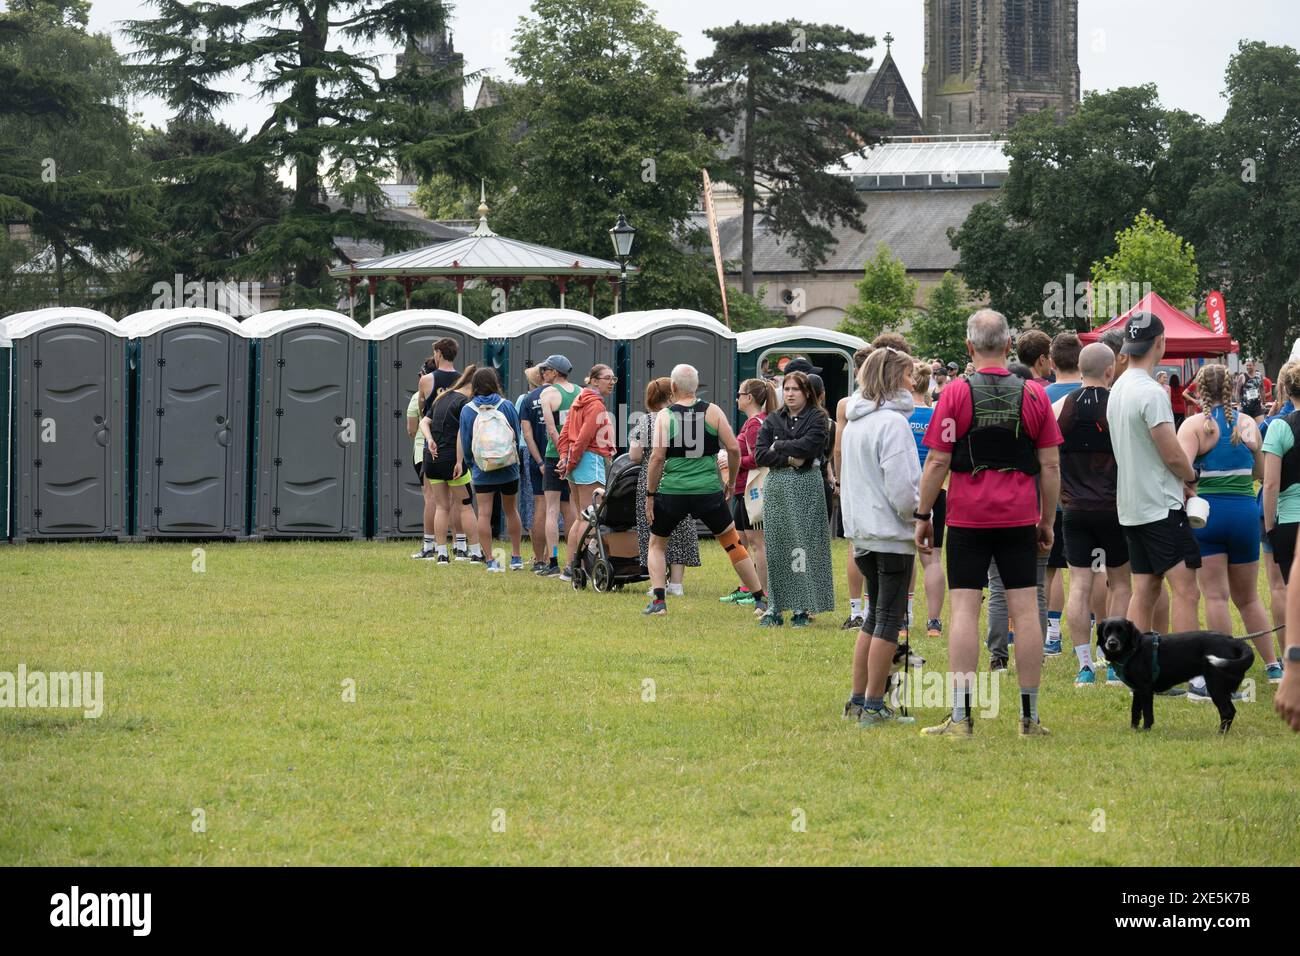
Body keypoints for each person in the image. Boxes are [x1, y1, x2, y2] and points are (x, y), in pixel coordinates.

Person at [915, 309, 1062, 737]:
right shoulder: (1035, 395)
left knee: (963, 610)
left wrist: (923, 515)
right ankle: (1029, 719)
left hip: (966, 518)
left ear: (969, 347)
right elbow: (1050, 465)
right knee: (1026, 612)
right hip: (1019, 517)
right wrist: (1047, 520)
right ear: (1010, 345)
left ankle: (961, 719)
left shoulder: (954, 394)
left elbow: (939, 460)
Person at [1178, 363, 1281, 692]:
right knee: (1249, 598)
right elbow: (1260, 472)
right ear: (1232, 388)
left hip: (1207, 514)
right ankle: (1273, 666)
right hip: (1243, 514)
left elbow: (1179, 470)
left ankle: (1225, 668)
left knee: (1216, 597)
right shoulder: (1248, 423)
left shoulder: (1194, 425)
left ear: (1199, 389)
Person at [643, 364, 768, 616]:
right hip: (708, 491)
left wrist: (650, 495)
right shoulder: (713, 412)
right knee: (733, 544)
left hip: (672, 492)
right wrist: (731, 482)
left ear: (674, 388)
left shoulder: (665, 417)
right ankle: (759, 599)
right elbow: (733, 449)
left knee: (657, 545)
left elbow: (657, 458)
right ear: (696, 387)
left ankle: (658, 602)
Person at [1107, 311, 1201, 641]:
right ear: (1160, 343)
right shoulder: (1152, 392)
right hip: (1160, 507)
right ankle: (1195, 676)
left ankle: (1137, 668)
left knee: (1145, 588)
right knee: (1187, 590)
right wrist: (1191, 476)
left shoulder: (1116, 389)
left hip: (1132, 506)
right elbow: (1172, 453)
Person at [841, 347, 921, 725]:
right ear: (893, 379)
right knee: (888, 619)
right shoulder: (893, 424)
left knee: (875, 616)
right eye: (907, 375)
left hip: (864, 533)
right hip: (889, 533)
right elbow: (904, 490)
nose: (913, 382)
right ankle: (873, 704)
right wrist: (921, 514)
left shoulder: (857, 421)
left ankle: (858, 699)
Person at [1056, 343, 1132, 686]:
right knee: (1121, 585)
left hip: (1074, 509)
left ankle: (1085, 665)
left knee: (1080, 586)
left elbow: (1046, 456)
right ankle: (1115, 663)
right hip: (1114, 508)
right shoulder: (1119, 404)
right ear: (1110, 371)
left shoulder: (1062, 406)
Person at [755, 371, 836, 626]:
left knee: (802, 546)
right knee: (777, 545)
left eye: (795, 390)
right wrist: (789, 456)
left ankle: (802, 606)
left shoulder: (818, 418)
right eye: (786, 389)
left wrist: (777, 446)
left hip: (806, 486)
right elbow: (759, 455)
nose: (789, 394)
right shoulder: (772, 419)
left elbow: (809, 447)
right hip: (777, 485)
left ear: (807, 393)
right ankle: (775, 607)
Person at [630, 378, 701, 598]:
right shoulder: (686, 418)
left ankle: (657, 584)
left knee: (654, 534)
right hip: (682, 478)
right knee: (680, 528)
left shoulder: (646, 421)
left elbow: (634, 455)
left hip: (652, 479)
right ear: (671, 394)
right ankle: (677, 585)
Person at [1041, 331, 1084, 653]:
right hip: (1094, 498)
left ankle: (1052, 635)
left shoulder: (1041, 397)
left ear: (1051, 362)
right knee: (1095, 573)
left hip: (1052, 499)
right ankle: (1096, 640)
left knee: (1050, 570)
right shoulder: (1099, 394)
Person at [457, 367, 524, 572]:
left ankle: (489, 559)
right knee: (511, 510)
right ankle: (516, 556)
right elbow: (516, 433)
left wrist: (471, 464)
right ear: (495, 383)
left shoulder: (468, 409)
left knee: (484, 513)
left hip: (483, 469)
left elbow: (466, 440)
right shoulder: (507, 405)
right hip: (508, 468)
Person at [556, 364, 618, 581]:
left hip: (577, 463)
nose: (611, 382)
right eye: (607, 378)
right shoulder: (596, 406)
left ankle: (570, 566)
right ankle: (574, 566)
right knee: (590, 516)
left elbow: (564, 434)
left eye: (614, 379)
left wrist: (565, 458)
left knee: (580, 516)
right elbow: (583, 438)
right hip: (588, 461)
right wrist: (570, 462)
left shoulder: (578, 400)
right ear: (593, 380)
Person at [719, 378, 776, 605]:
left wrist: (733, 460)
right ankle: (747, 586)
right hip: (743, 489)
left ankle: (762, 592)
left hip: (753, 490)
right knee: (740, 539)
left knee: (757, 542)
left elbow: (758, 458)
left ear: (749, 398)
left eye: (740, 394)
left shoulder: (755, 424)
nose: (737, 398)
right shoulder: (754, 422)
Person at [419, 365, 483, 565]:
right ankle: (474, 552)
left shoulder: (442, 397)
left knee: (441, 506)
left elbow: (423, 422)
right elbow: (460, 434)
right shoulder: (464, 403)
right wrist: (458, 461)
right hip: (451, 460)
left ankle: (442, 554)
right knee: (465, 506)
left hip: (432, 459)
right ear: (473, 386)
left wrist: (430, 440)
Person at [1259, 361, 1299, 649]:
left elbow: (1270, 484)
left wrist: (1270, 524)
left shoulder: (1279, 427)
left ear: (1284, 389)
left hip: (1290, 520)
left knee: (1291, 592)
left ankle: (1291, 655)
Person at [833, 347, 873, 629]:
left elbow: (838, 447)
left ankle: (855, 609)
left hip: (853, 479)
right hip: (875, 479)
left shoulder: (845, 404)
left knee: (854, 544)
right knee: (877, 544)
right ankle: (872, 608)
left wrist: (839, 479)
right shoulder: (886, 402)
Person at [907, 359, 945, 639]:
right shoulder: (938, 417)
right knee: (932, 559)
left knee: (905, 556)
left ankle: (904, 616)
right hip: (937, 492)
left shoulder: (898, 416)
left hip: (905, 491)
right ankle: (934, 621)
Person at [537, 355, 579, 577]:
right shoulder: (581, 392)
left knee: (552, 510)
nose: (543, 373)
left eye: (546, 369)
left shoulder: (548, 394)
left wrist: (561, 453)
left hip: (555, 455)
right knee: (573, 508)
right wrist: (571, 454)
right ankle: (573, 559)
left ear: (555, 372)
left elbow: (552, 430)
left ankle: (552, 560)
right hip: (577, 456)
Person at [514, 365, 547, 570]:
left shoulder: (523, 399)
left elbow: (521, 428)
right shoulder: (553, 397)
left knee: (533, 503)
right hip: (548, 449)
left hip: (528, 451)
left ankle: (538, 556)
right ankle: (546, 554)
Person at [410, 356, 440, 559]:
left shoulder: (416, 397)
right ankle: (458, 545)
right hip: (448, 449)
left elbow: (411, 429)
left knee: (430, 499)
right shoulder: (450, 394)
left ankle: (429, 546)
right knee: (452, 502)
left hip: (423, 450)